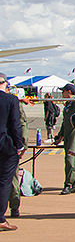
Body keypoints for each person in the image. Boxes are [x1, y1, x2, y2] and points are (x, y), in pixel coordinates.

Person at [0, 73, 25, 231]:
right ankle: (0, 218)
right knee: (4, 182)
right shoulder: (10, 100)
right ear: (5, 83)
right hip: (6, 146)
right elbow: (15, 125)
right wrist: (19, 145)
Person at [5, 79, 29, 219]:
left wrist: (22, 145)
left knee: (12, 177)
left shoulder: (13, 102)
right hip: (9, 145)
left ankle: (14, 207)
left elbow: (20, 125)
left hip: (9, 146)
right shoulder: (12, 102)